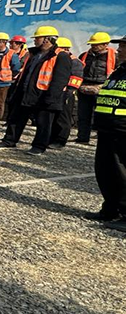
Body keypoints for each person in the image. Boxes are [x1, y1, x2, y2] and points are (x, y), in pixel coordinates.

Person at [0, 25, 72, 155]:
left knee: (43, 123)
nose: (35, 40)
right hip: (26, 92)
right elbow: (26, 74)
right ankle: (9, 141)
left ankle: (39, 147)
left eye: (37, 38)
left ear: (47, 39)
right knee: (16, 118)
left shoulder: (61, 56)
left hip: (44, 95)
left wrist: (51, 98)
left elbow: (60, 79)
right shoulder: (33, 54)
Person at [84, 36, 126, 225]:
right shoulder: (119, 71)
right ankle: (111, 210)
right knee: (106, 172)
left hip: (123, 131)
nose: (118, 50)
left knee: (122, 173)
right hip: (107, 129)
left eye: (123, 47)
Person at [75, 32, 118, 146]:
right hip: (84, 89)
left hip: (102, 89)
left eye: (96, 44)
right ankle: (82, 137)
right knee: (83, 115)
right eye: (92, 44)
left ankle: (102, 138)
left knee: (101, 116)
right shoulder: (84, 55)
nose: (93, 46)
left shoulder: (115, 57)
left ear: (105, 44)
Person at [50, 37, 84, 148]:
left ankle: (60, 140)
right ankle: (51, 138)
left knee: (63, 118)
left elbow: (76, 80)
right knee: (53, 117)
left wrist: (68, 93)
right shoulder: (55, 59)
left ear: (65, 49)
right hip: (56, 92)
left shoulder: (75, 62)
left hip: (66, 93)